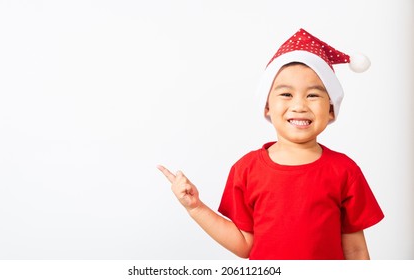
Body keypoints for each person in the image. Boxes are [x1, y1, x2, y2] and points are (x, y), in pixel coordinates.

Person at [158, 28, 384, 260]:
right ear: (267, 106)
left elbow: (355, 250)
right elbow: (245, 245)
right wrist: (196, 208)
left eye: (313, 95)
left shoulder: (345, 171)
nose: (299, 106)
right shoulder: (245, 169)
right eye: (286, 95)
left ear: (331, 109)